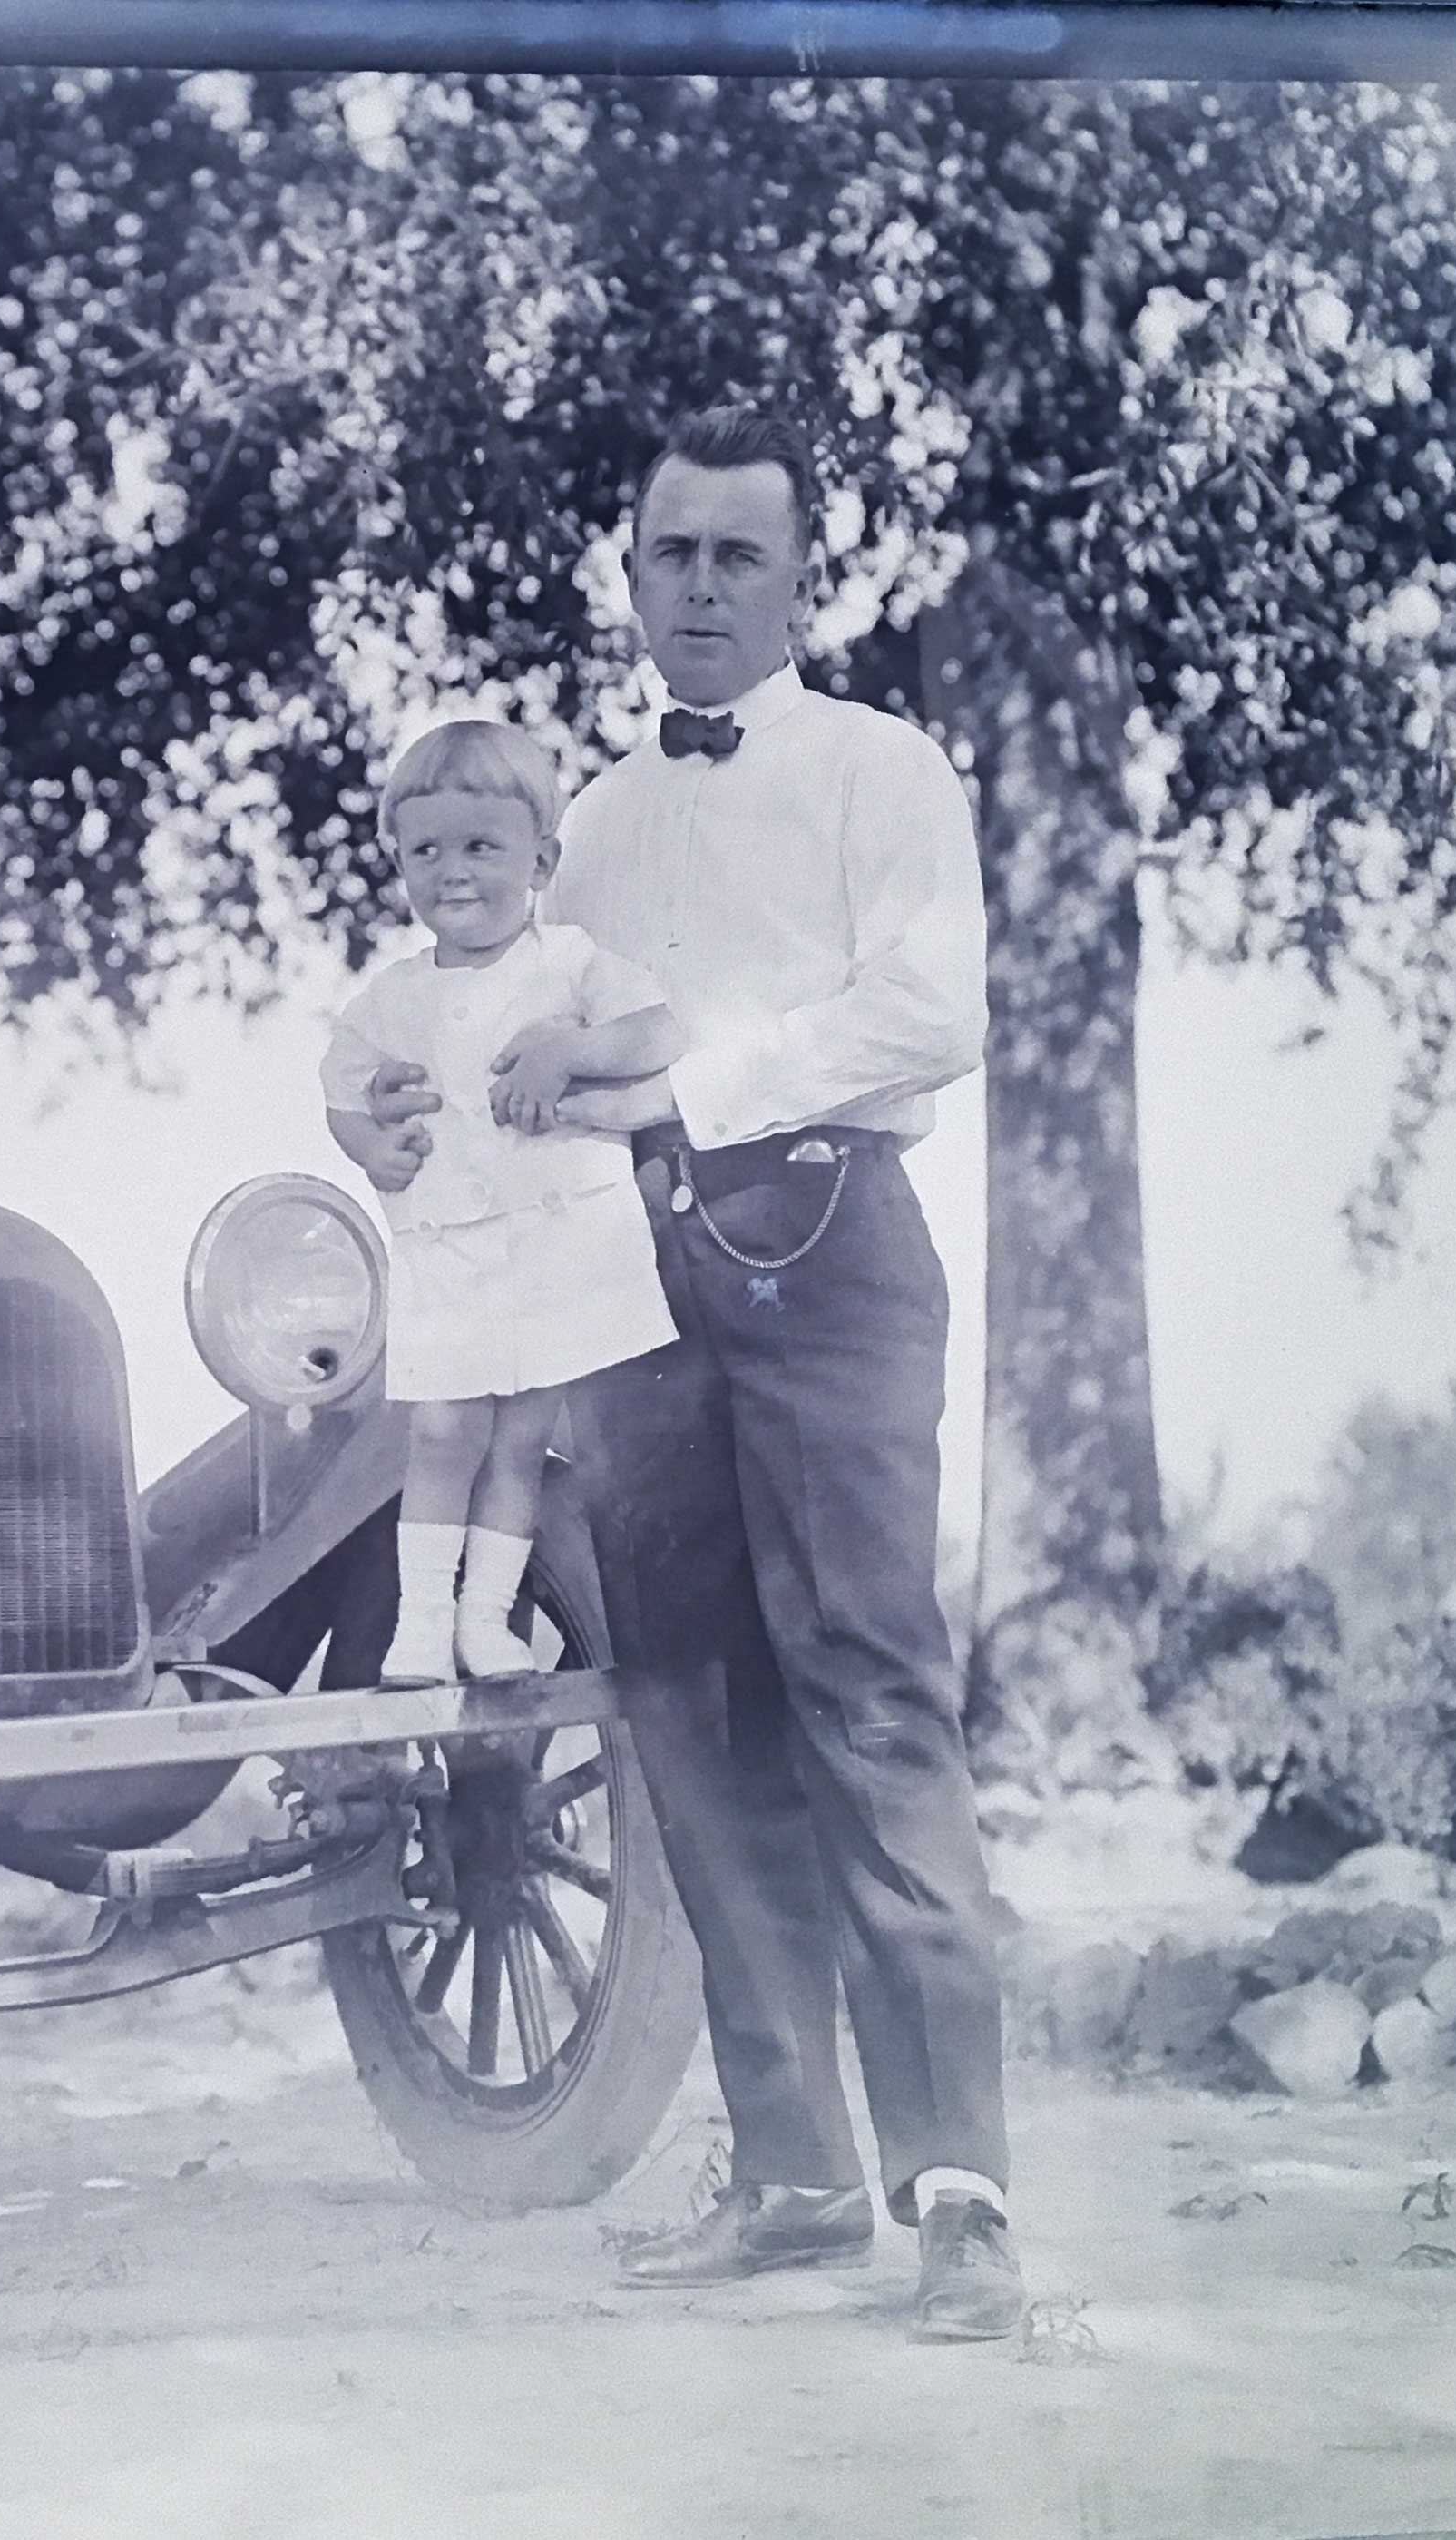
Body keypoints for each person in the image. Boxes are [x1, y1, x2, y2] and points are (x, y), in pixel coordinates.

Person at [332, 405, 1022, 2341]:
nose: (702, 587)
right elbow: (483, 1043)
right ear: (628, 578)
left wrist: (674, 1083)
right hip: (621, 1280)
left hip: (827, 1242)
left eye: (739, 554)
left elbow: (928, 1010)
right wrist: (390, 1117)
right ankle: (794, 2170)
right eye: (671, 554)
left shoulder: (879, 767)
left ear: (799, 578)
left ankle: (960, 2196)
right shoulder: (586, 824)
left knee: (869, 1689)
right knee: (687, 1712)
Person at [319, 719, 684, 1686]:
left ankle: (486, 1621)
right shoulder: (391, 997)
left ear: (540, 861)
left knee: (521, 1438)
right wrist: (372, 1146)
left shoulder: (567, 964)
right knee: (442, 1431)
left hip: (557, 1240)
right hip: (452, 1248)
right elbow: (341, 1093)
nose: (454, 872)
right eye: (426, 851)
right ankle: (421, 1624)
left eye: (481, 846)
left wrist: (577, 1050)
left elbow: (659, 1030)